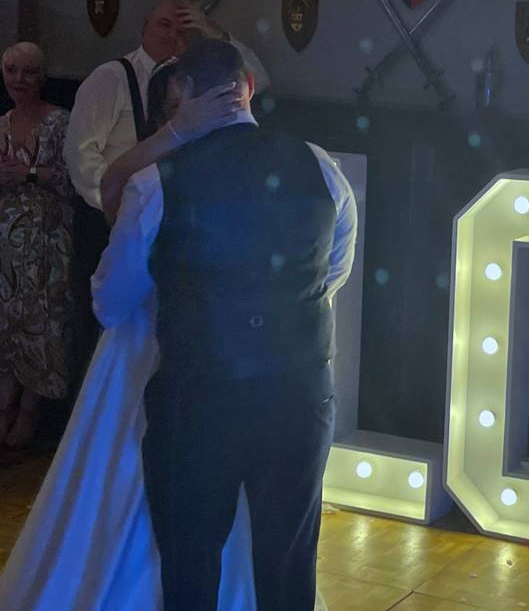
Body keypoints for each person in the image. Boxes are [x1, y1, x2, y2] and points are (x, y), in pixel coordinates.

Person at [97, 38, 356, 610]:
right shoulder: (320, 164)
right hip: (298, 394)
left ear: (182, 92)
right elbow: (332, 271)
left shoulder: (156, 182)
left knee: (191, 566)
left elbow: (111, 303)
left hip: (199, 399)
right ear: (249, 88)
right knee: (289, 565)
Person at [0, 58, 258, 611]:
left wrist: (174, 132)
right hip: (224, 365)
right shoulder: (281, 177)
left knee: (125, 483)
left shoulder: (154, 186)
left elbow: (111, 302)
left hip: (146, 353)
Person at [65, 0, 270, 211]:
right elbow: (80, 153)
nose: (172, 35)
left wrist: (215, 32)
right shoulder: (111, 76)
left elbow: (258, 79)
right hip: (117, 212)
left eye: (182, 32)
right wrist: (119, 204)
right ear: (146, 26)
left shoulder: (196, 77)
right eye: (164, 25)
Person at [0, 42, 77, 448]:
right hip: (6, 248)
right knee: (6, 327)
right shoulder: (1, 125)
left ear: (43, 77)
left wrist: (28, 173)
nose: (19, 80)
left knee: (42, 328)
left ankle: (28, 416)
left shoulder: (61, 122)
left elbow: (74, 179)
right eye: (11, 70)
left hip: (47, 244)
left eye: (28, 72)